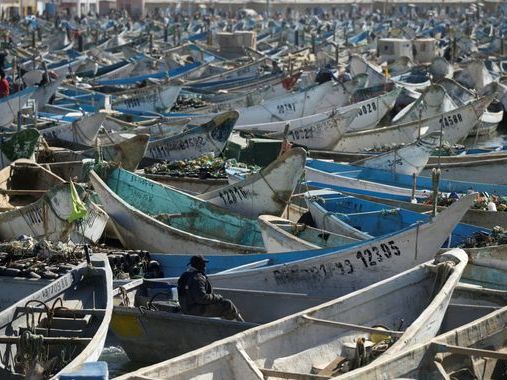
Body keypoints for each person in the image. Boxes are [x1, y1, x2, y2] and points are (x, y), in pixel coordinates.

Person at [177, 255, 244, 321]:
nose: (205, 267)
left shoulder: (185, 275)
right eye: (204, 265)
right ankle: (241, 325)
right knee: (227, 304)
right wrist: (218, 297)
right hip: (194, 310)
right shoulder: (198, 278)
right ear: (201, 266)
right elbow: (201, 298)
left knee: (223, 304)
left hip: (187, 307)